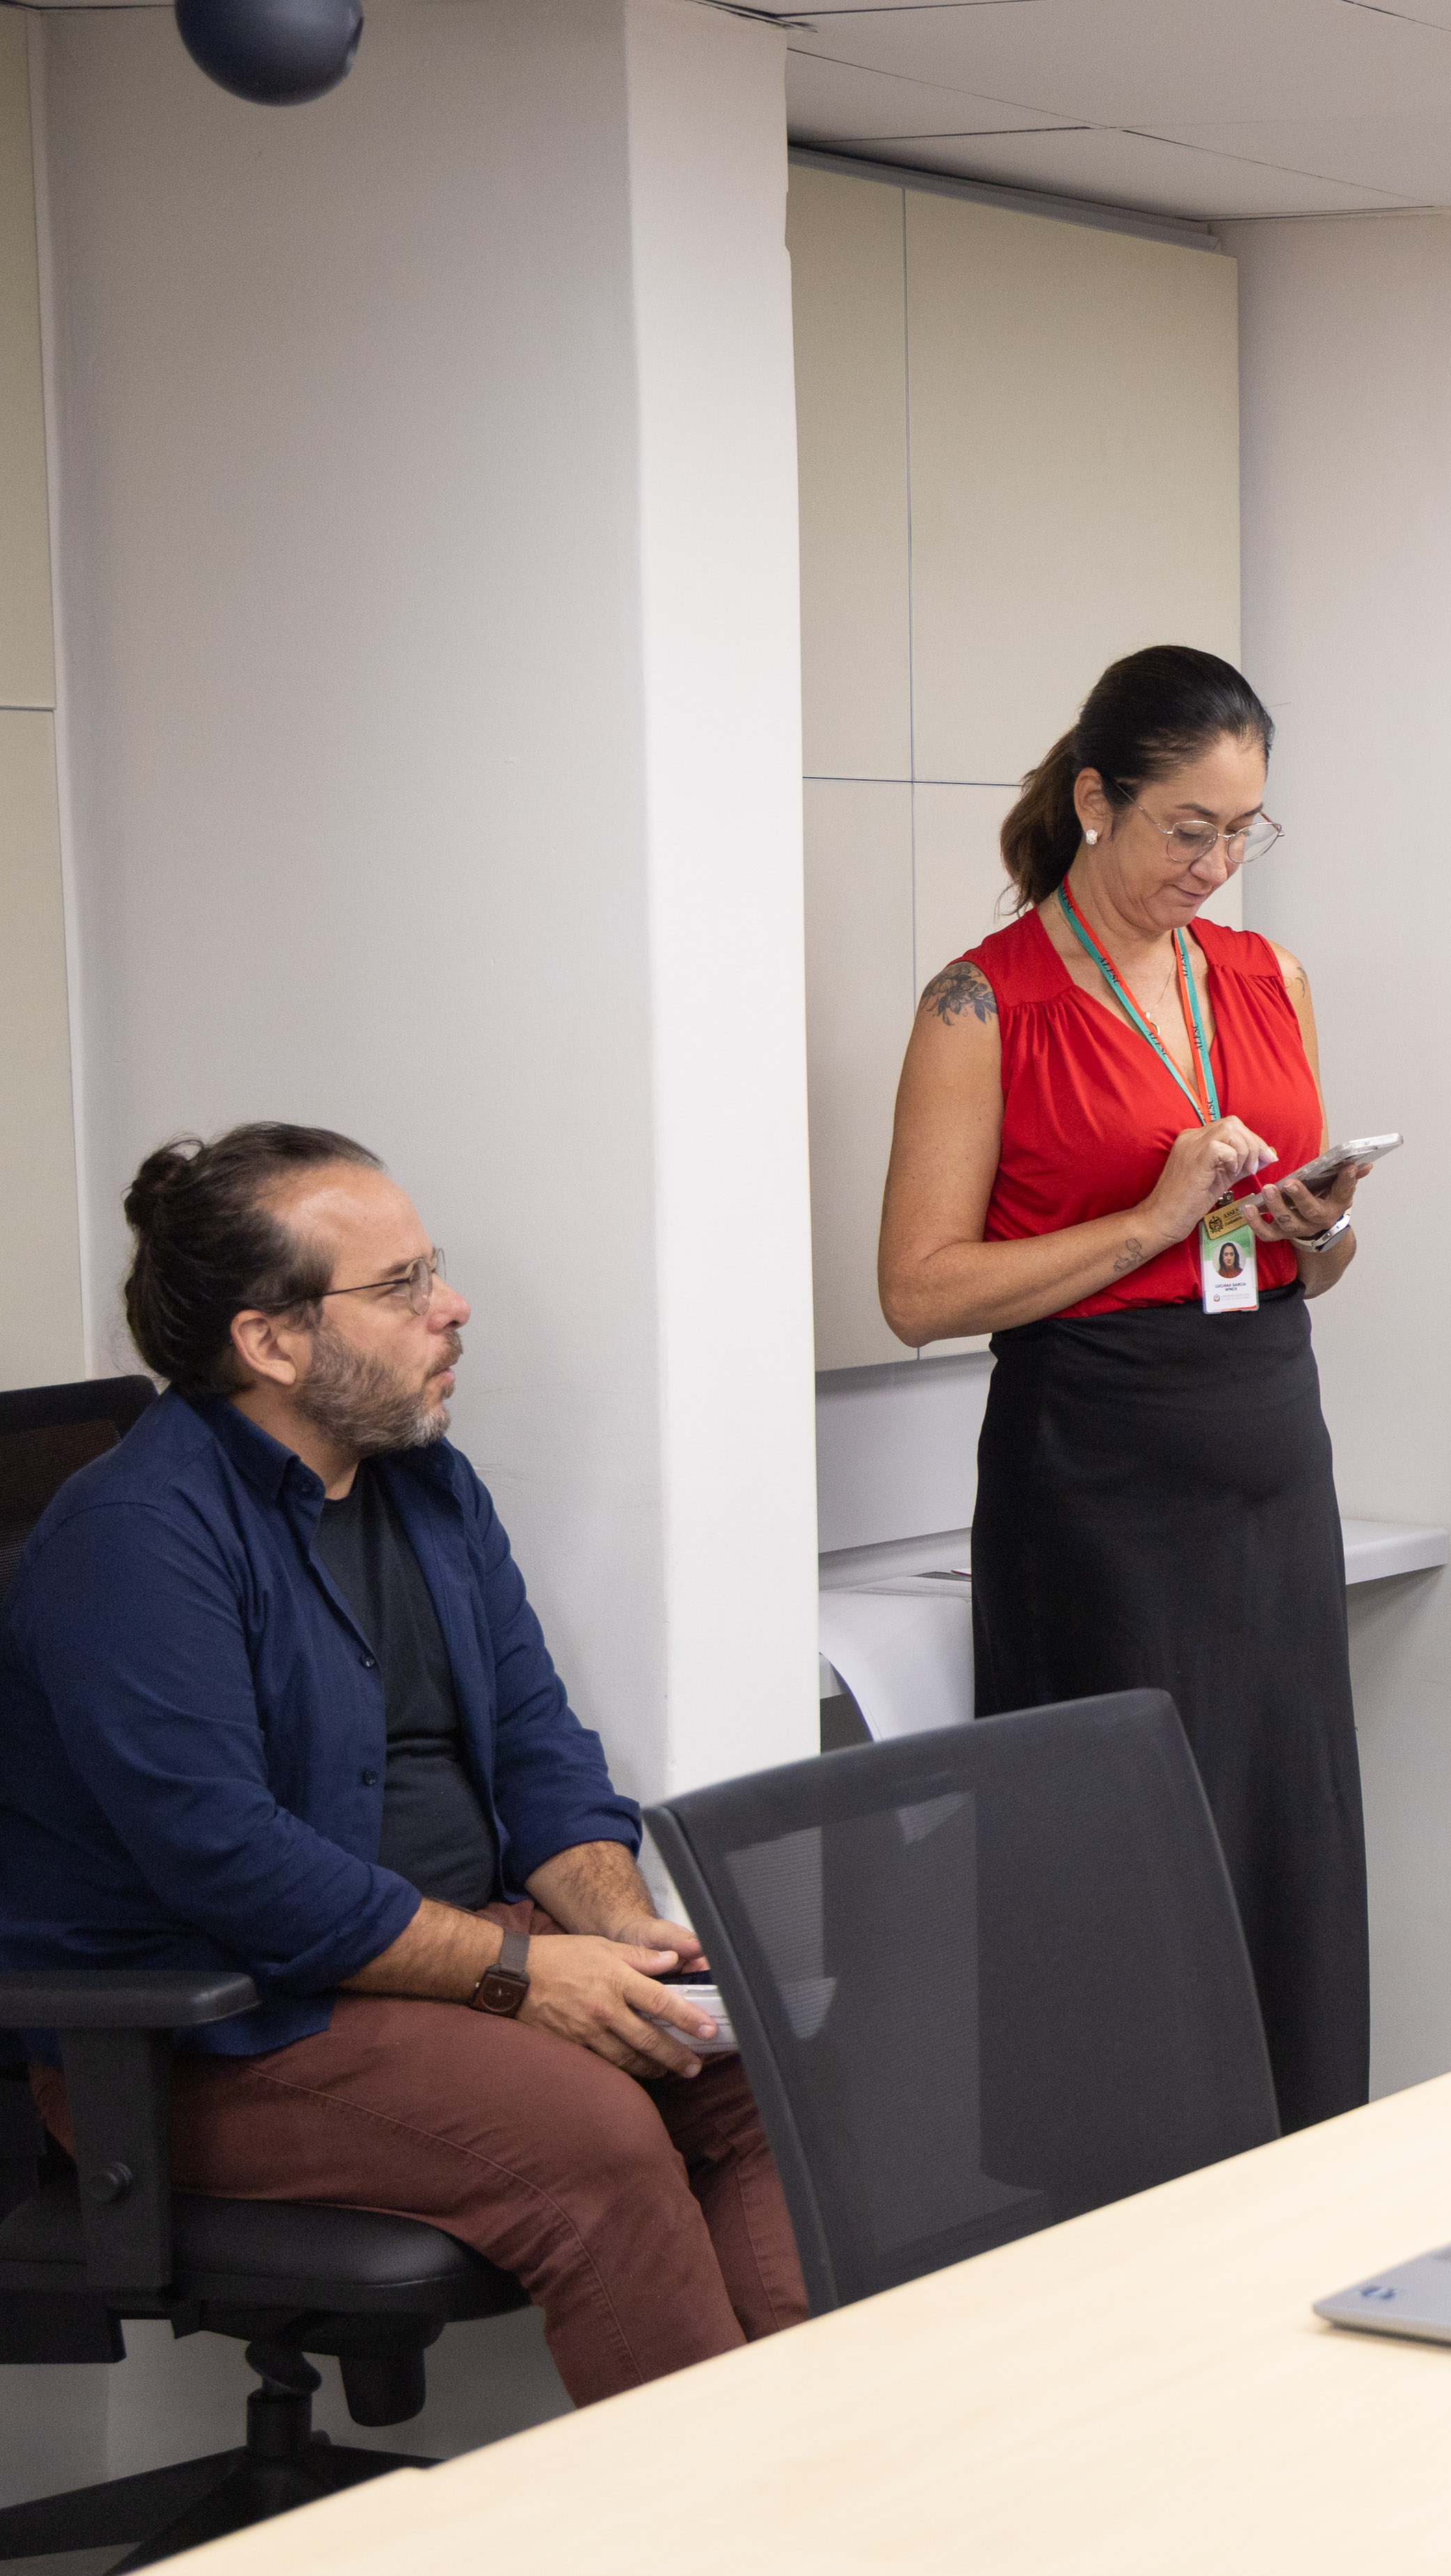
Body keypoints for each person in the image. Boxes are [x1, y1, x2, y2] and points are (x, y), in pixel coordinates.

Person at [0, 1127, 800, 2402]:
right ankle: (715, 2521)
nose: (453, 1305)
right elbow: (233, 1864)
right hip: (223, 2031)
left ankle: (827, 2475)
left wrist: (618, 1928)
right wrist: (520, 1974)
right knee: (592, 2136)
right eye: (402, 1284)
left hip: (451, 1959)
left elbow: (537, 1742)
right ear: (270, 1341)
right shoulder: (134, 1539)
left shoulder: (431, 1485)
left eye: (436, 1267)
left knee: (769, 2069)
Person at [877, 645, 1374, 2126]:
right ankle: (1118, 2204)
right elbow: (917, 1291)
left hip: (1268, 1447)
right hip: (1093, 1475)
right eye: (1186, 829)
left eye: (1243, 831)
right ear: (1096, 801)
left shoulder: (1268, 976)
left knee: (1282, 1836)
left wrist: (1316, 1224)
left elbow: (1312, 1267)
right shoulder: (980, 1002)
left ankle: (1290, 2169)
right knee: (1120, 1859)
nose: (1215, 867)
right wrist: (1155, 1220)